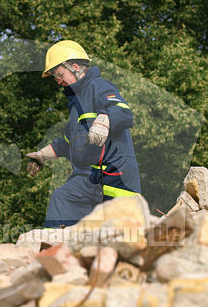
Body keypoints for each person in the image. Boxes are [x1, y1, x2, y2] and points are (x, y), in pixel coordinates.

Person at [26, 40, 141, 228]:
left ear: (76, 67)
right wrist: (42, 156)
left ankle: (55, 251)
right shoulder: (76, 104)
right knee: (67, 205)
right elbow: (67, 142)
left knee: (64, 200)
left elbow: (123, 112)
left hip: (113, 179)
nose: (58, 81)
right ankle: (60, 252)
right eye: (56, 77)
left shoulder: (98, 86)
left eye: (60, 74)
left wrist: (104, 121)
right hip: (92, 182)